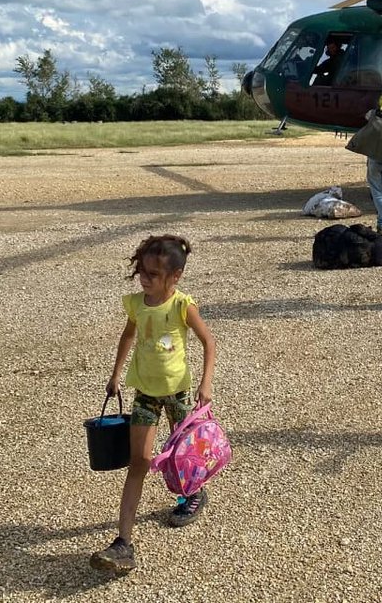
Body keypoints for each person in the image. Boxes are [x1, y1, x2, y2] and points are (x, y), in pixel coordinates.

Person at [92, 235, 217, 574]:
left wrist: (205, 384)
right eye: (142, 272)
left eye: (154, 274)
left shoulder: (181, 306)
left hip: (177, 393)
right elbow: (128, 335)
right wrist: (116, 373)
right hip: (145, 394)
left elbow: (209, 342)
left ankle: (193, 492)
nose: (145, 279)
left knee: (184, 455)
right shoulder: (135, 304)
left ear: (175, 276)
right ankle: (123, 542)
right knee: (140, 461)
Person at [345, 92, 382, 237]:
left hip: (374, 159)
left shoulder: (372, 114)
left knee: (377, 193)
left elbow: (366, 117)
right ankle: (381, 225)